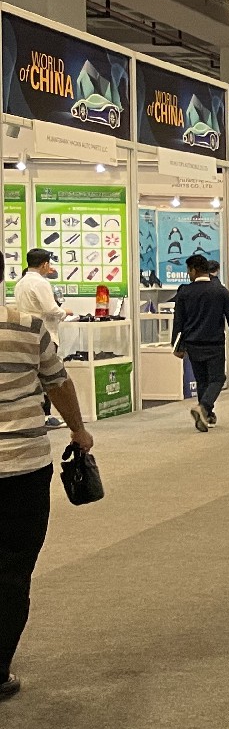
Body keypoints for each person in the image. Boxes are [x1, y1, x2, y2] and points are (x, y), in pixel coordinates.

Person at [0, 297, 93, 701]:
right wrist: (79, 430)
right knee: (12, 569)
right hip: (23, 467)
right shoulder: (27, 326)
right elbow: (57, 382)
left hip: (24, 466)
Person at [171, 253, 229, 431]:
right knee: (218, 378)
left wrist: (176, 345)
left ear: (194, 270)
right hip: (214, 343)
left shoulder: (184, 292)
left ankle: (207, 415)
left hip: (193, 344)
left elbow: (178, 321)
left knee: (202, 380)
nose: (188, 274)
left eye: (189, 271)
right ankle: (203, 407)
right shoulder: (220, 291)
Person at [11, 249, 67, 325]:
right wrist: (65, 312)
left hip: (24, 325)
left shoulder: (20, 283)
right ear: (45, 265)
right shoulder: (41, 282)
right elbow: (51, 309)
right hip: (41, 327)